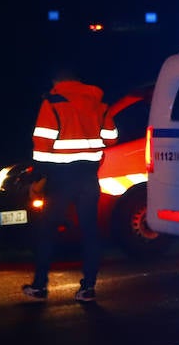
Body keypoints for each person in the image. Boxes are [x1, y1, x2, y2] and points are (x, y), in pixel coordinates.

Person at [21, 69, 118, 303]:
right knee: (90, 231)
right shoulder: (99, 104)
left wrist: (38, 180)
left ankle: (40, 286)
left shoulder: (52, 103)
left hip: (60, 179)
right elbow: (111, 137)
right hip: (88, 177)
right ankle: (88, 288)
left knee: (47, 230)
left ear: (56, 80)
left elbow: (41, 146)